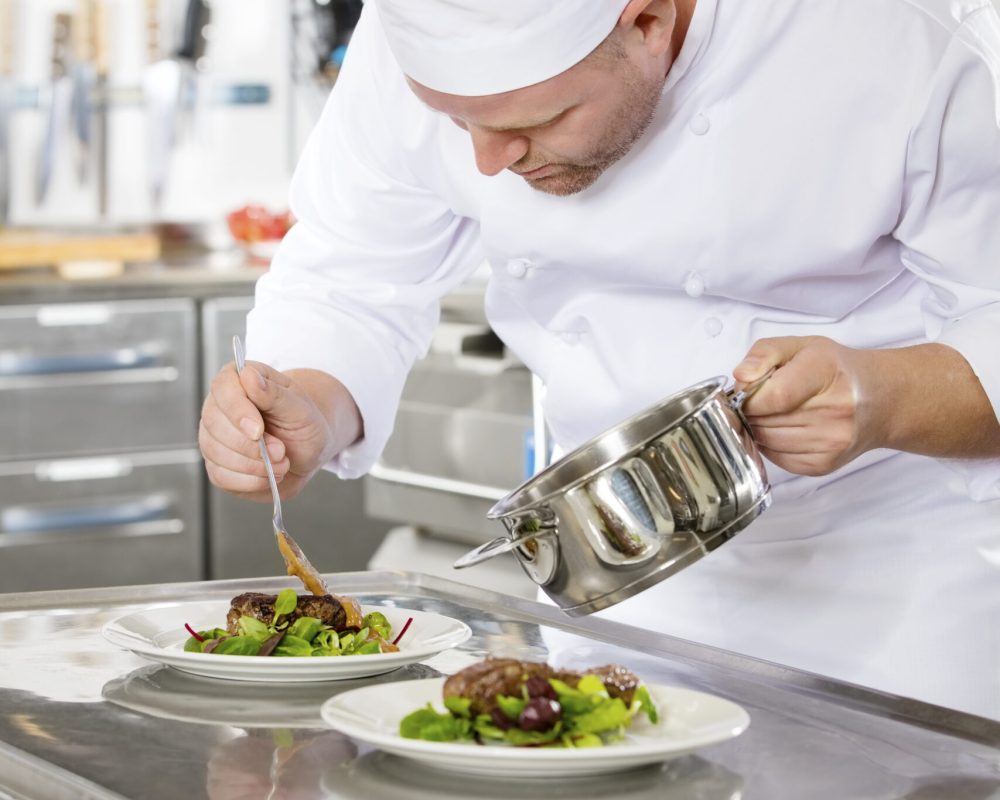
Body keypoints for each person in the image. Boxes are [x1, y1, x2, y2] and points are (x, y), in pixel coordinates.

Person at [199, 0, 1000, 719]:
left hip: (892, 612)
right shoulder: (414, 27)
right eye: (455, 121)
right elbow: (355, 273)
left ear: (647, 22)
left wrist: (881, 394)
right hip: (616, 592)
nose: (487, 162)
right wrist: (306, 402)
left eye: (537, 119)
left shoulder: (905, 47)